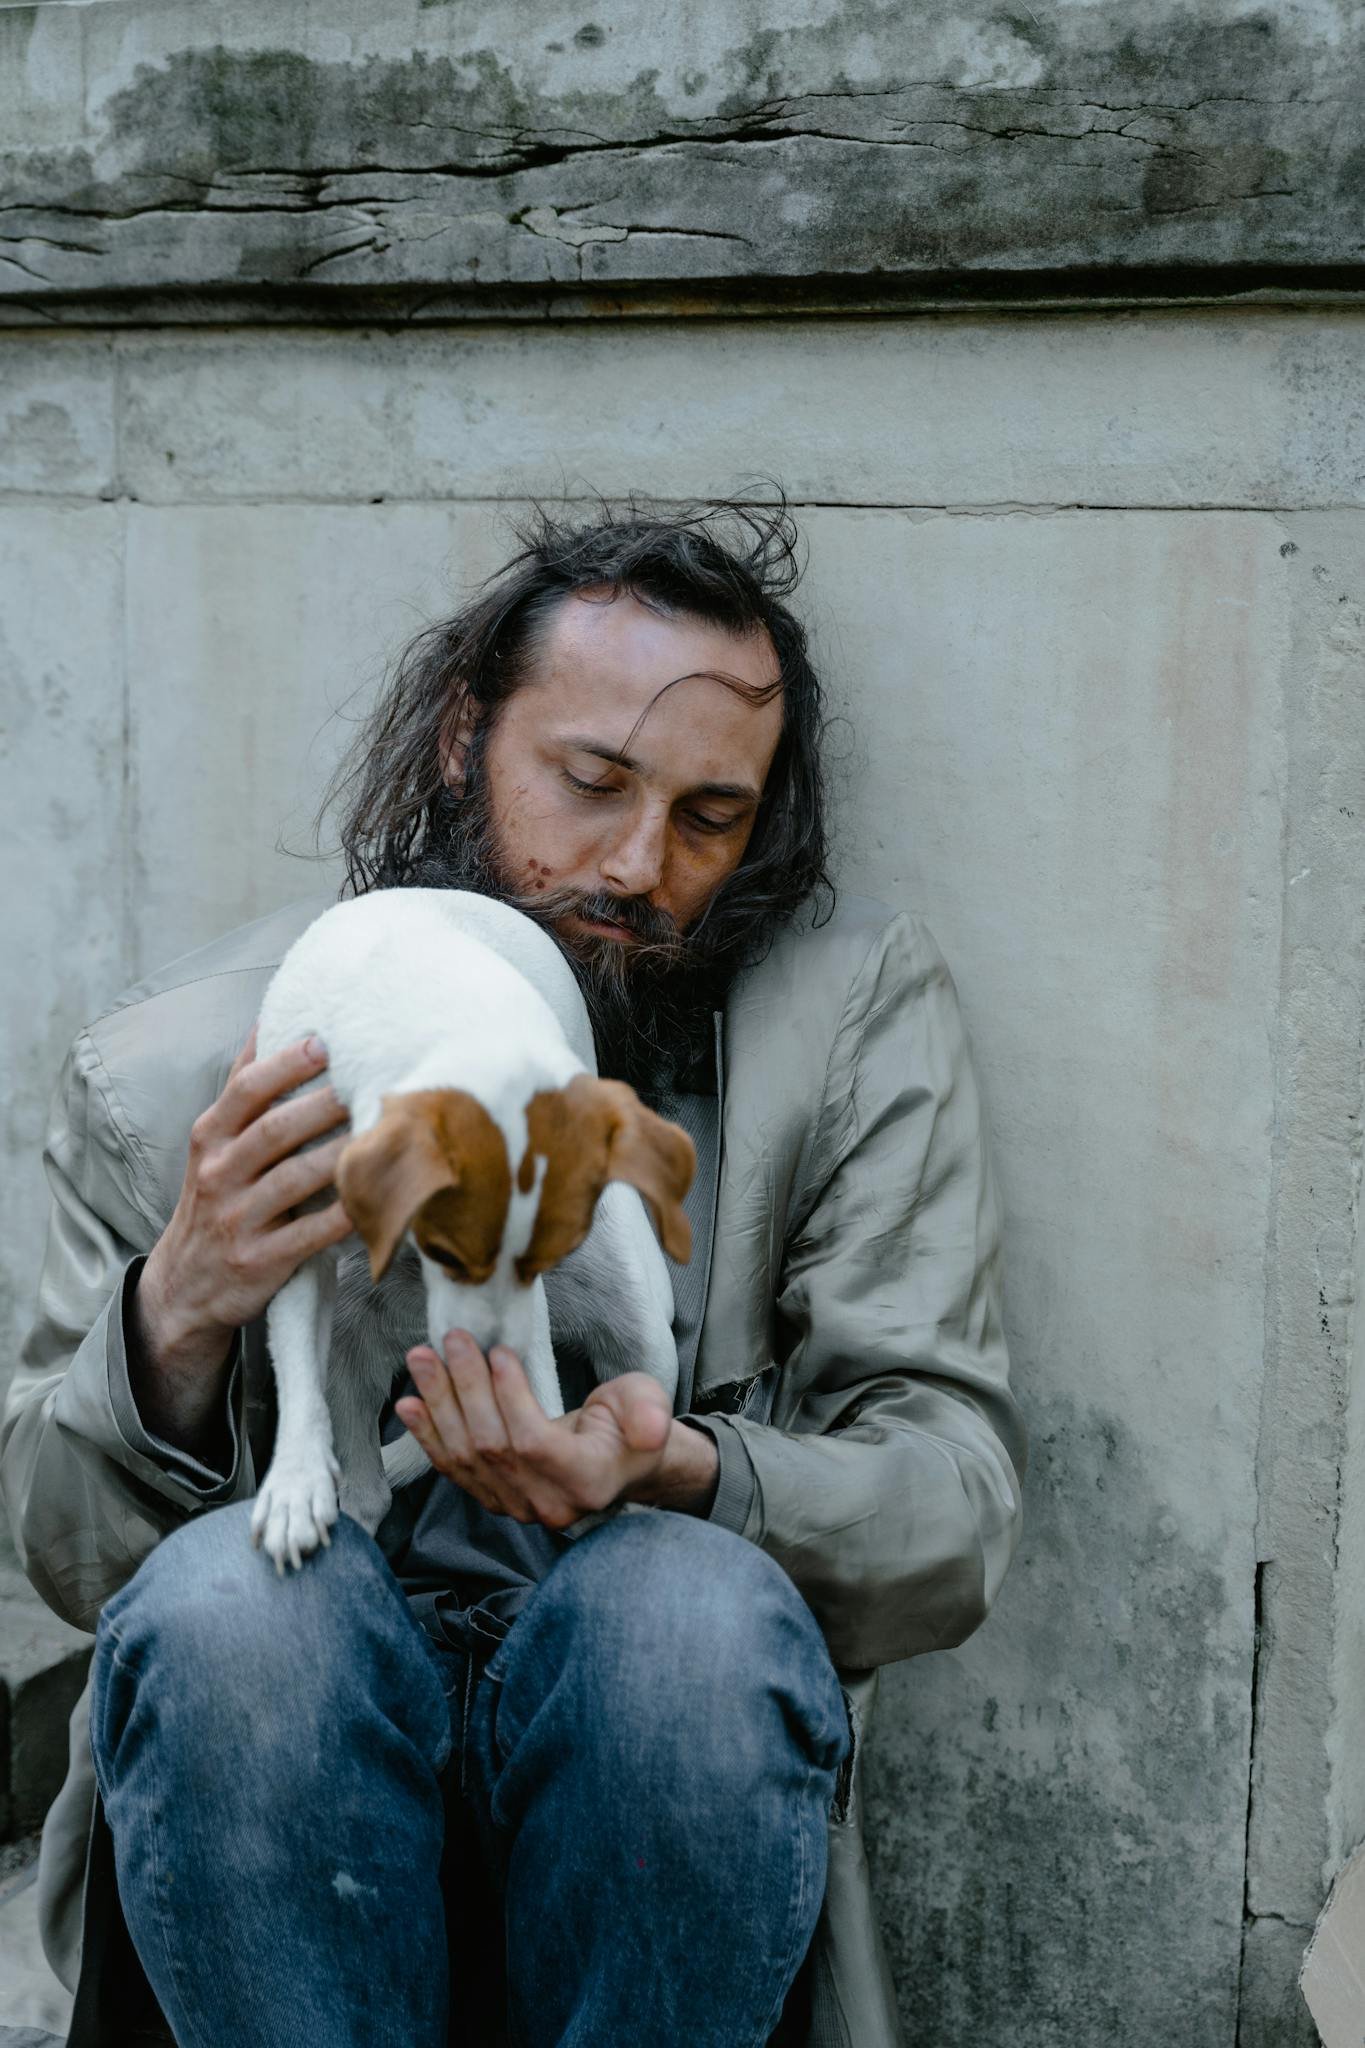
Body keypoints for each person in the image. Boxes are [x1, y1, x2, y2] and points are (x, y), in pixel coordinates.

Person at [2, 499, 1025, 2048]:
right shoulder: (185, 1069)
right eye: (591, 782)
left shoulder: (845, 1028)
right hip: (278, 1775)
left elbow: (947, 1510)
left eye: (709, 816)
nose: (637, 865)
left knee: (682, 1620)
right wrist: (185, 1307)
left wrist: (683, 1472)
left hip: (639, 1755)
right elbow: (60, 1554)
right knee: (231, 1615)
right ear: (460, 740)